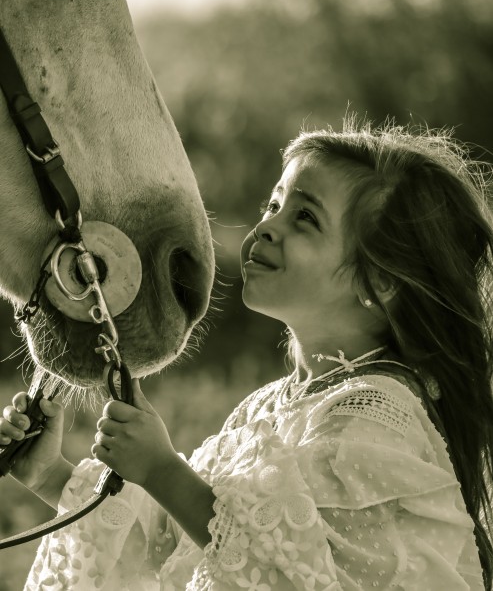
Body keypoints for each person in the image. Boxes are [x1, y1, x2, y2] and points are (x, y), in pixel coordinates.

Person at [1, 117, 492, 590]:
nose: (268, 226)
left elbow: (302, 583)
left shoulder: (375, 418)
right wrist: (51, 474)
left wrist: (162, 470)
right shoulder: (267, 407)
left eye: (305, 217)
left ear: (380, 280)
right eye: (273, 203)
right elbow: (187, 551)